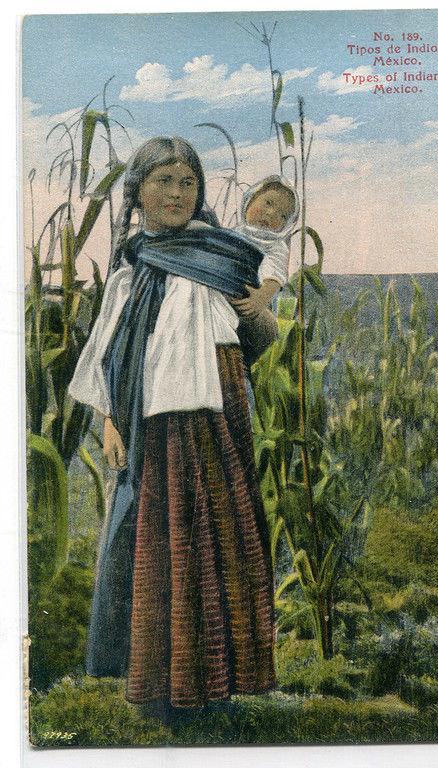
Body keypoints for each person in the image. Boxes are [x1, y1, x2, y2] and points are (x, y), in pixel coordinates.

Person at [68, 136, 276, 713]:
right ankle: (160, 686)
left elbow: (257, 334)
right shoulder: (130, 271)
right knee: (159, 540)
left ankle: (217, 684)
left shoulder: (222, 257)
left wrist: (259, 314)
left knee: (219, 537)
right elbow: (106, 354)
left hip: (215, 415)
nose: (177, 194)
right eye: (163, 181)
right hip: (152, 426)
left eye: (188, 183)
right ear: (136, 193)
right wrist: (109, 423)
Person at [230, 177, 299, 370]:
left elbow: (274, 277)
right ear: (250, 199)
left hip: (252, 307)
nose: (271, 214)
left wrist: (260, 298)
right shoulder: (233, 234)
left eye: (283, 215)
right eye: (268, 203)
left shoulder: (275, 246)